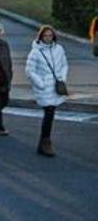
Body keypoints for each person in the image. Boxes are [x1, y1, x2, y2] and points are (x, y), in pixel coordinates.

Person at [25, 24, 69, 157]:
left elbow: (65, 64)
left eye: (50, 35)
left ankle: (43, 143)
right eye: (45, 35)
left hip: (56, 86)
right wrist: (40, 83)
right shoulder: (36, 52)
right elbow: (29, 70)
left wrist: (63, 78)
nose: (48, 38)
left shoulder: (59, 49)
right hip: (44, 87)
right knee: (49, 113)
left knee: (51, 114)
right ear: (41, 36)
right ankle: (45, 143)